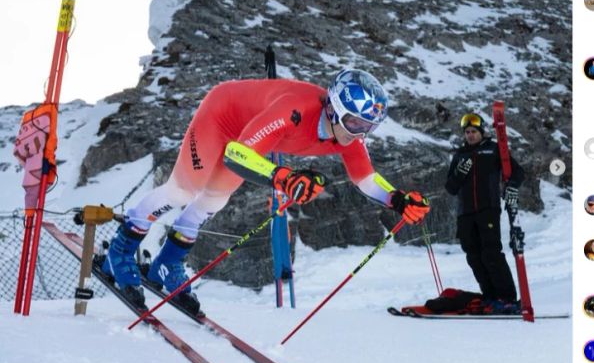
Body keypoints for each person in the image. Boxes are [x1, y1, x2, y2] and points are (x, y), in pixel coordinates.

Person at [103, 68, 430, 313]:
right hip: (221, 117)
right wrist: (284, 178)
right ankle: (121, 249)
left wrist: (396, 199)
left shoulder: (348, 134)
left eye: (369, 127)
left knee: (214, 200)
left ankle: (166, 264)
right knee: (183, 191)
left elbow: (366, 178)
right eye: (357, 124)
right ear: (334, 109)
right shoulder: (294, 110)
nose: (360, 133)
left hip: (250, 138)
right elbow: (238, 154)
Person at [445, 112, 524, 313]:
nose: (470, 135)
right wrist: (459, 174)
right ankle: (490, 298)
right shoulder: (460, 155)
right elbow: (450, 188)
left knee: (491, 254)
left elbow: (517, 172)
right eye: (467, 132)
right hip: (465, 213)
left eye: (474, 131)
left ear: (481, 132)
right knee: (473, 256)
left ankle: (506, 298)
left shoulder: (493, 149)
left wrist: (512, 186)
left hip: (487, 209)